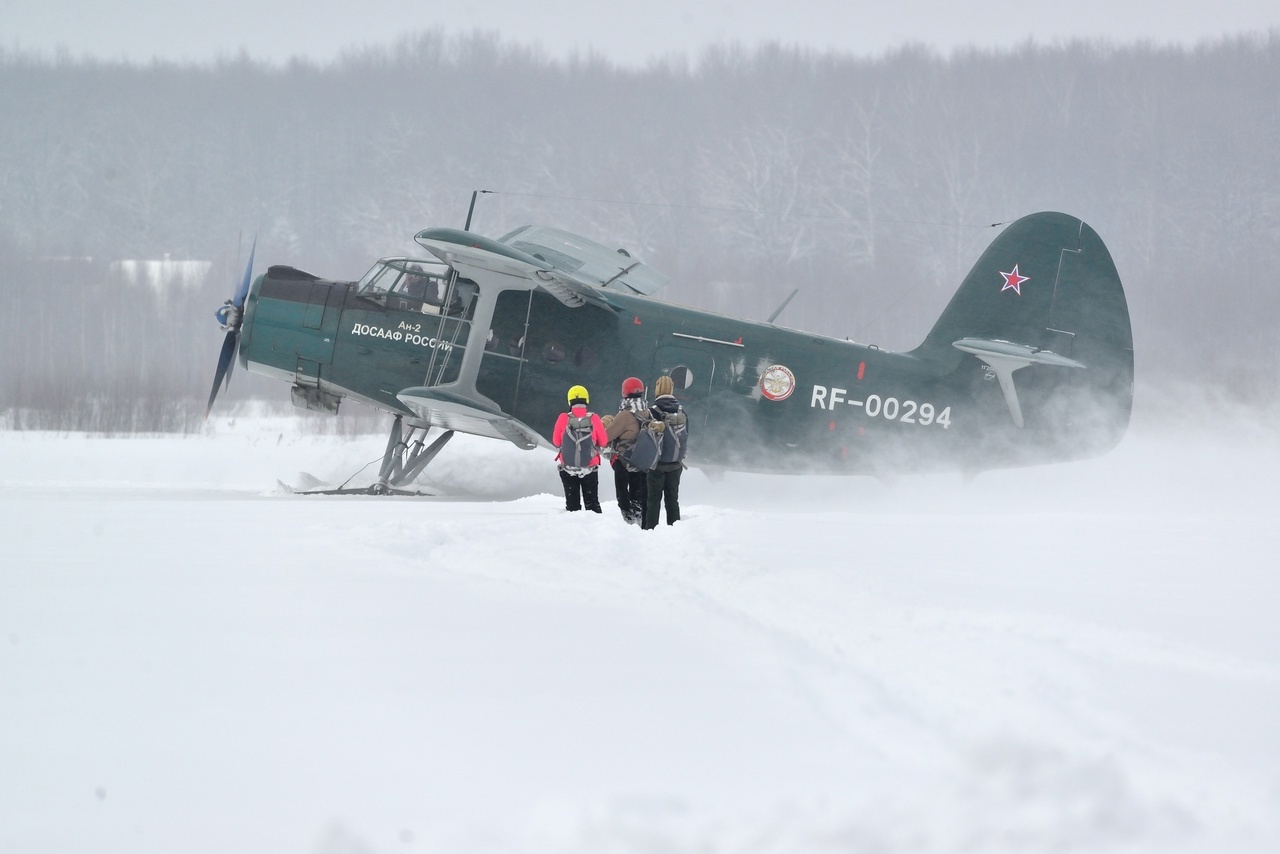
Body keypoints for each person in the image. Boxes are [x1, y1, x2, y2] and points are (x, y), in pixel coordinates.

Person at [551, 384, 608, 513]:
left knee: (572, 506)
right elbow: (604, 442)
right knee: (592, 503)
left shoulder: (563, 418)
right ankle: (594, 529)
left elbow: (556, 441)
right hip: (589, 467)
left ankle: (573, 529)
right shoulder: (594, 418)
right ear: (586, 400)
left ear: (570, 401)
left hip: (568, 467)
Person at [642, 375, 686, 529]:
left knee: (653, 499)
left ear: (657, 389)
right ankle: (675, 528)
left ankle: (650, 529)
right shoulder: (681, 411)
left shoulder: (652, 411)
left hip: (657, 464)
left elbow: (645, 438)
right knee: (672, 499)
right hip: (676, 464)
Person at [604, 377, 649, 525]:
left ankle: (627, 519)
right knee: (637, 492)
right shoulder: (647, 412)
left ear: (624, 392)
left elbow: (606, 437)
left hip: (623, 460)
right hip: (641, 459)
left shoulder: (624, 415)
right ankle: (639, 516)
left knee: (622, 491)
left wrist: (608, 421)